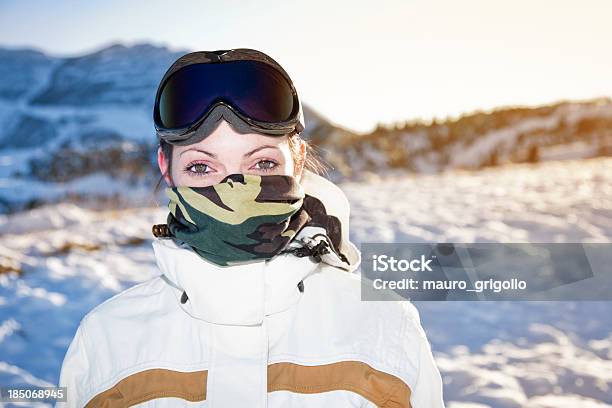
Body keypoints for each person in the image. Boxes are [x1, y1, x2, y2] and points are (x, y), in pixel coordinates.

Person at [57, 48, 445, 407]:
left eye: (262, 164)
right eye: (201, 167)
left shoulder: (384, 326)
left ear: (299, 160)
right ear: (166, 168)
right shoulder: (107, 340)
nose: (235, 190)